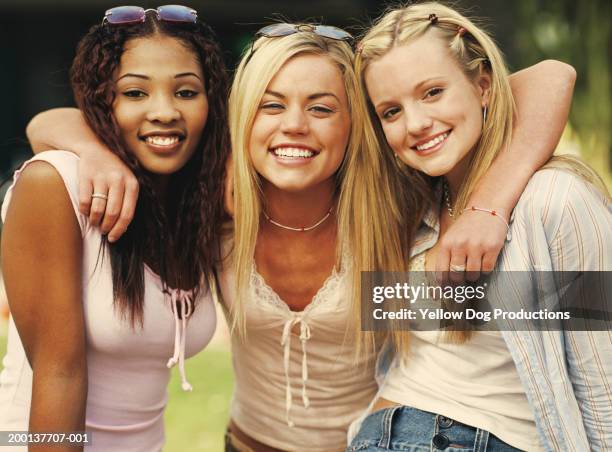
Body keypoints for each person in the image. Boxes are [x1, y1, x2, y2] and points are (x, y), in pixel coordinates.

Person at [25, 23, 575, 452]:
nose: (294, 125)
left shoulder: (394, 209)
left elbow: (552, 75)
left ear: (354, 123)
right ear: (245, 118)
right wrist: (96, 156)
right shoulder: (217, 203)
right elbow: (49, 123)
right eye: (272, 104)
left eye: (321, 107)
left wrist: (488, 205)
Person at [347, 2, 611, 451]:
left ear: (483, 85)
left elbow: (603, 383)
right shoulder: (410, 208)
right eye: (391, 111)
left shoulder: (555, 201)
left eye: (432, 92)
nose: (415, 124)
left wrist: (489, 209)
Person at [0, 6, 229, 451]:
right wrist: (94, 149)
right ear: (103, 100)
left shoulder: (199, 202)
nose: (164, 112)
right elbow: (58, 374)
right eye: (135, 93)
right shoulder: (57, 184)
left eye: (185, 92)